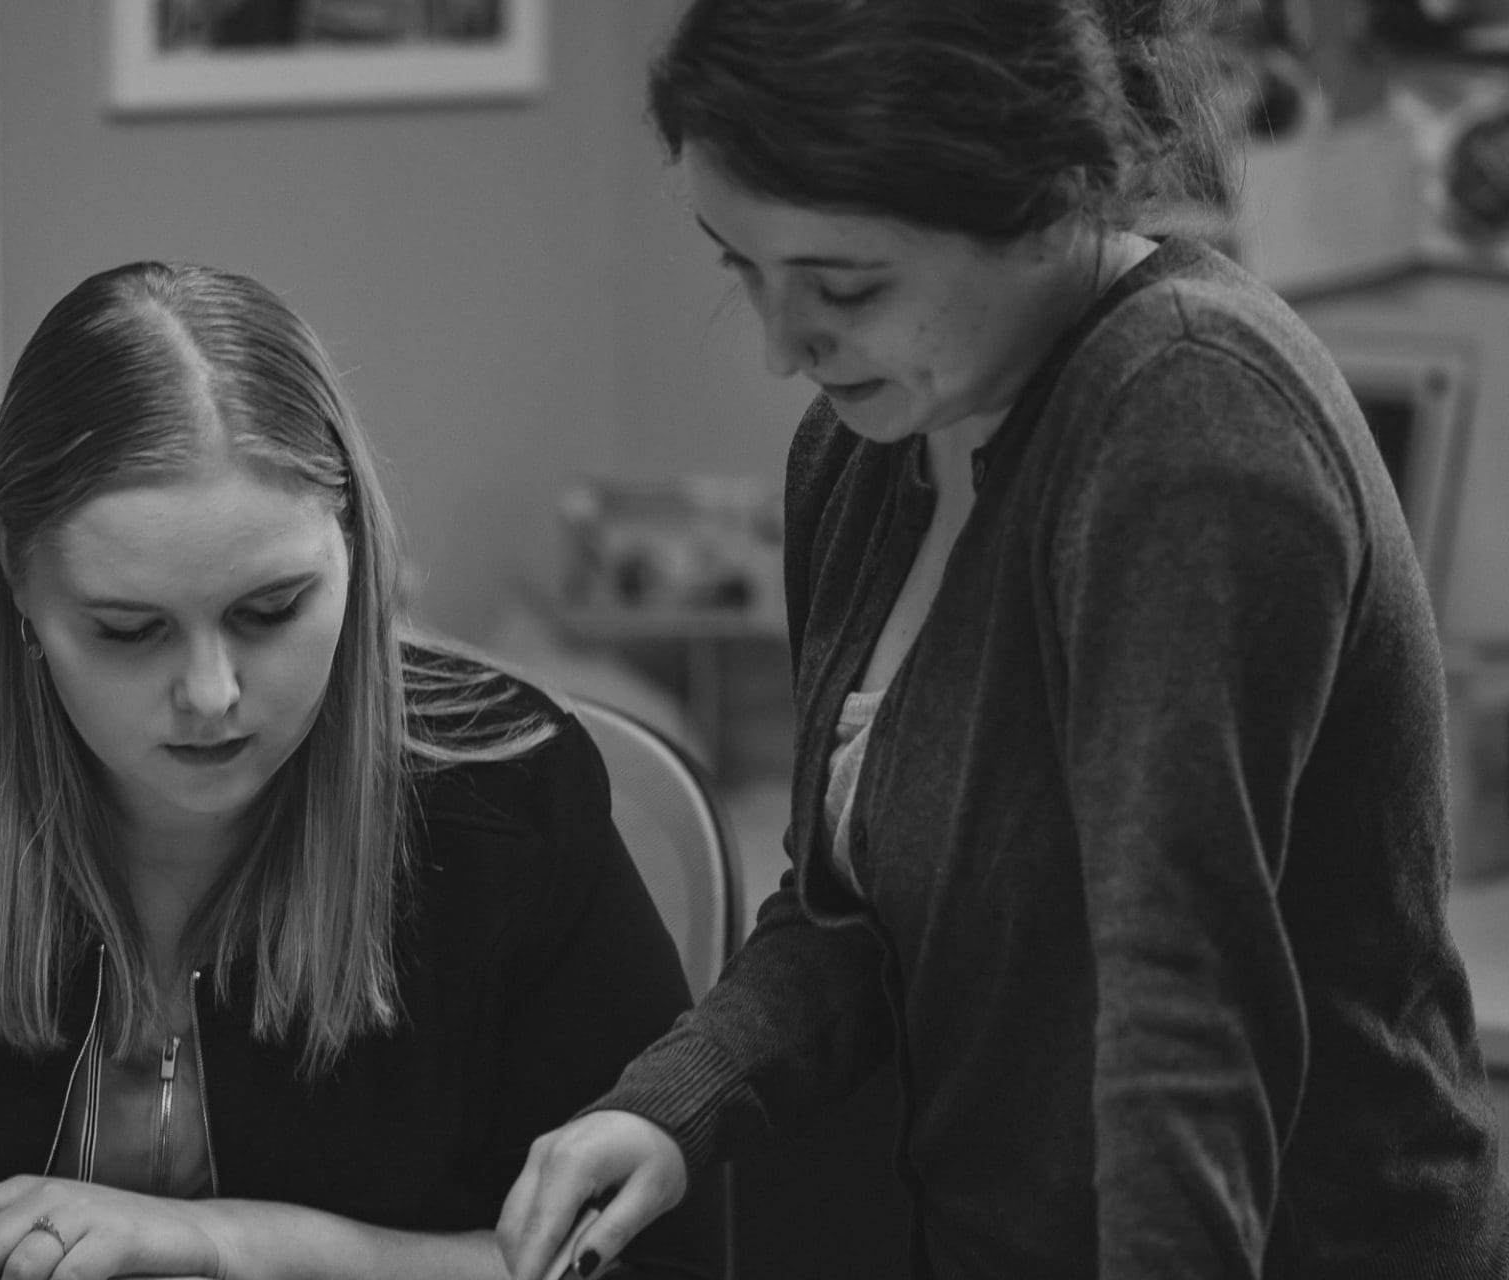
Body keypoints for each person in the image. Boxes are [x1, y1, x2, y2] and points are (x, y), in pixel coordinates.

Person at [498, 1, 1509, 1276]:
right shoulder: (863, 453)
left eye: (845, 286)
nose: (779, 347)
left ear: (1040, 202)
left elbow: (1186, 1035)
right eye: (740, 267)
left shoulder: (1191, 423)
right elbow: (848, 917)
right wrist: (670, 1104)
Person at [0, 263, 719, 1280]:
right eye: (129, 629)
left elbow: (654, 1257)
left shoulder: (510, 799)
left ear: (355, 549)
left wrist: (242, 1250)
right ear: (15, 573)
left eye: (272, 609)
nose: (212, 693)